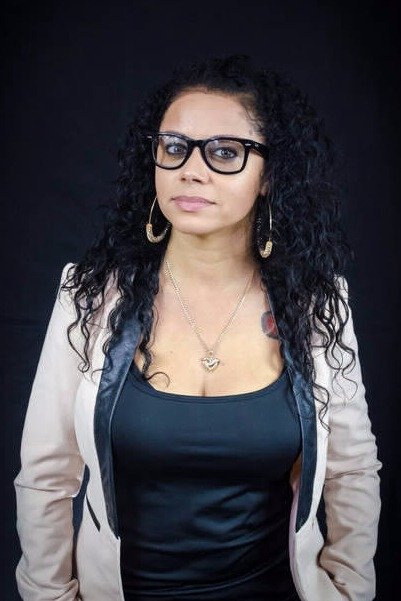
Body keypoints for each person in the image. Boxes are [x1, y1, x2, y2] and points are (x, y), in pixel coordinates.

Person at [14, 54, 382, 601]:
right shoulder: (87, 295)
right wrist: (48, 594)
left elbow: (352, 471)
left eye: (225, 152)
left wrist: (351, 590)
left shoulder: (317, 305)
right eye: (174, 147)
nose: (191, 169)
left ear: (269, 176)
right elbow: (45, 475)